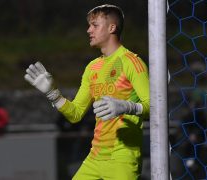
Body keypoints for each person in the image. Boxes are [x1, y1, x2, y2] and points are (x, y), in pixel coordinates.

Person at [24, 4, 149, 179]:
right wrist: (52, 93)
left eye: (95, 25)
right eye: (89, 25)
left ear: (112, 28)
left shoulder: (132, 62)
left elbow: (154, 107)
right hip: (95, 157)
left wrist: (127, 107)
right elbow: (75, 114)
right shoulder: (93, 67)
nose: (89, 30)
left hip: (123, 156)